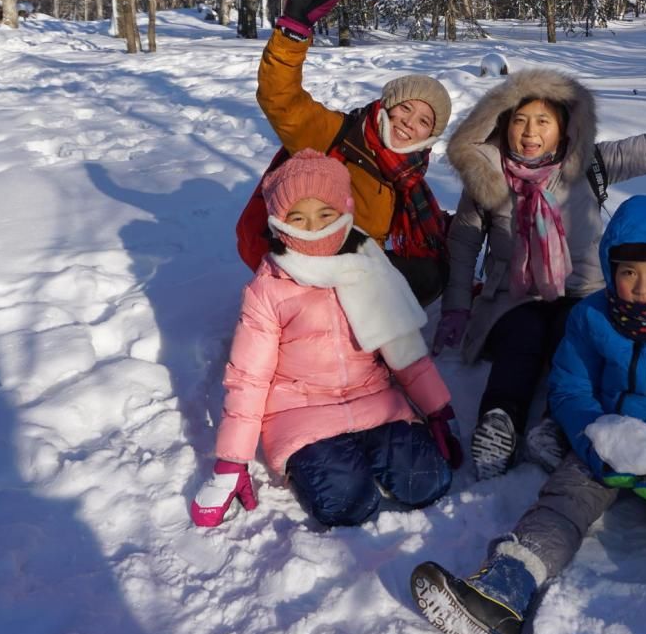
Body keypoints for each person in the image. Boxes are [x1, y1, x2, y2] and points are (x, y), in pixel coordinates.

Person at [411, 195, 646, 634]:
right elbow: (571, 387)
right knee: (561, 503)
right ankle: (503, 590)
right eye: (629, 272)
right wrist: (592, 440)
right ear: (611, 272)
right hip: (607, 439)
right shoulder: (592, 317)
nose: (642, 287)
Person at [432, 67, 646, 478]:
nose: (529, 132)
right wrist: (455, 308)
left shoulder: (589, 164)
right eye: (519, 121)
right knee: (521, 339)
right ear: (503, 125)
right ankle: (498, 423)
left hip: (584, 292)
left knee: (572, 342)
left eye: (543, 121)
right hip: (514, 296)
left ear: (564, 127)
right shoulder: (485, 178)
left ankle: (553, 427)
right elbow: (464, 243)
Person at [192, 150, 462, 529]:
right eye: (297, 218)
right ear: (278, 224)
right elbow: (248, 377)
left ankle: (370, 452)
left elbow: (404, 346)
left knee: (429, 482)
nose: (313, 228)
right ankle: (337, 463)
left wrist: (436, 409)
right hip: (302, 417)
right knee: (347, 504)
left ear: (345, 211)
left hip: (374, 403)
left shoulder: (367, 264)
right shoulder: (269, 288)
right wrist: (231, 461)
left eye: (325, 215)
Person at [250, 0, 453, 305]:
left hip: (356, 271)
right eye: (405, 108)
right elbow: (279, 97)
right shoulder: (336, 136)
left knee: (431, 273)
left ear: (430, 136)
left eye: (423, 121)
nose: (409, 123)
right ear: (386, 106)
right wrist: (293, 32)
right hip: (307, 268)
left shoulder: (407, 174)